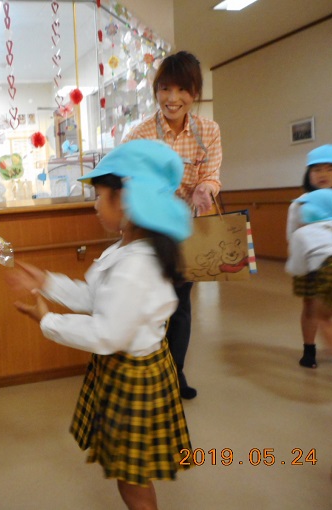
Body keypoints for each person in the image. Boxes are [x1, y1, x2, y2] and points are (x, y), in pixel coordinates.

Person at [7, 140, 193, 510]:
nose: (94, 204)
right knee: (131, 477)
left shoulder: (136, 266)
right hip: (127, 370)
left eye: (99, 194)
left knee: (132, 483)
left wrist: (48, 321)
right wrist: (47, 282)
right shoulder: (127, 252)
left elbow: (106, 333)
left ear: (125, 199)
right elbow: (95, 299)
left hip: (133, 376)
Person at [122, 50, 222, 400]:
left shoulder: (208, 130)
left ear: (194, 94)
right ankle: (147, 375)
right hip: (149, 231)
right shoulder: (140, 133)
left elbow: (211, 176)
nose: (172, 98)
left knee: (179, 306)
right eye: (165, 88)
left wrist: (204, 190)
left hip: (184, 231)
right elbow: (123, 179)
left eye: (182, 90)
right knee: (149, 305)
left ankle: (174, 374)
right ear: (156, 91)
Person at [286, 144, 332, 369]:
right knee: (311, 307)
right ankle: (309, 349)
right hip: (310, 264)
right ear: (308, 173)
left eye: (330, 169)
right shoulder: (300, 203)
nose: (323, 174)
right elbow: (292, 234)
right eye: (317, 170)